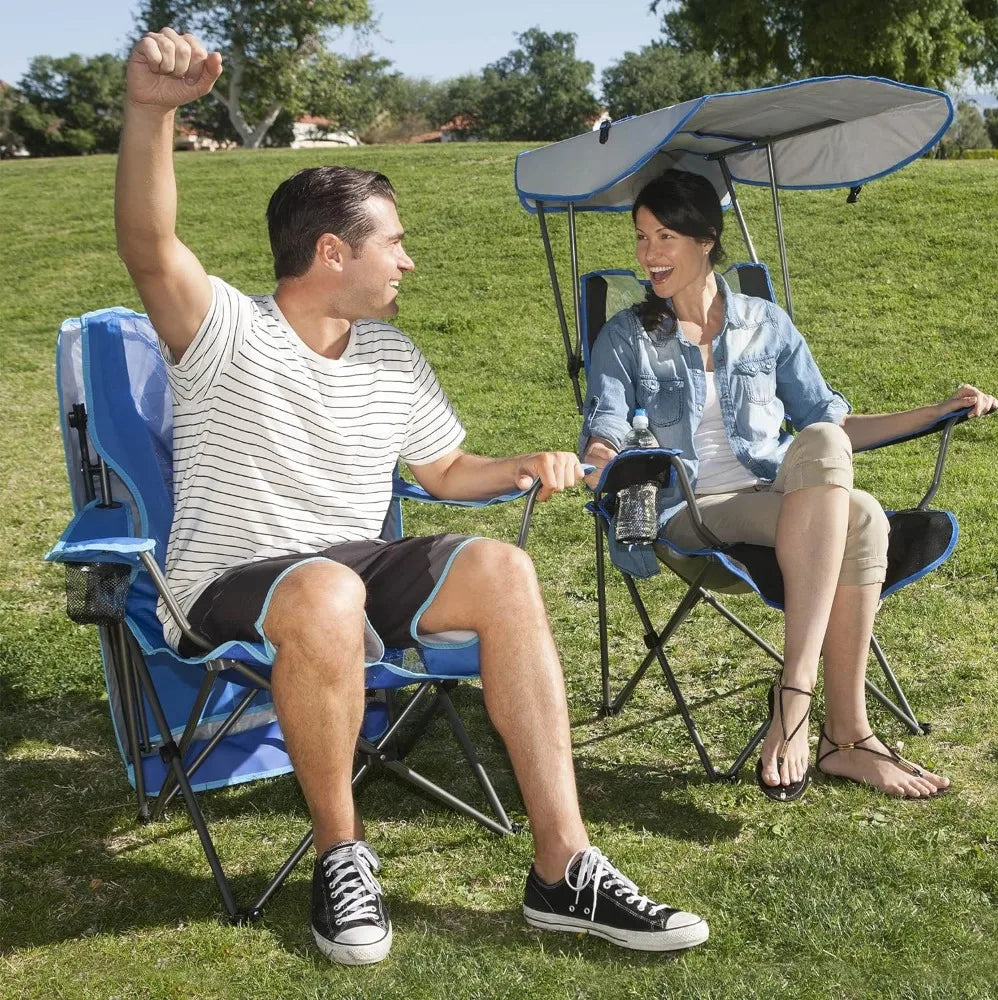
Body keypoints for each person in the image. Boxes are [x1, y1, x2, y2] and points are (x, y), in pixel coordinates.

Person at [116, 29, 711, 966]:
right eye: (393, 243)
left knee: (502, 570)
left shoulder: (393, 356)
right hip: (234, 579)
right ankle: (340, 855)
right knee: (327, 591)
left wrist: (524, 463)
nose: (408, 262)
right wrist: (152, 111)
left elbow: (443, 475)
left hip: (351, 567)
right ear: (330, 251)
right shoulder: (224, 331)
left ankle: (564, 865)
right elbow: (149, 245)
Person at [582, 168, 997, 804]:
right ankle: (828, 719)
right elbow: (605, 431)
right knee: (861, 517)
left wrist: (936, 410)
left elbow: (830, 423)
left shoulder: (766, 324)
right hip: (690, 510)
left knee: (840, 475)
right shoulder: (628, 338)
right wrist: (597, 463)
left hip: (779, 498)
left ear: (706, 240)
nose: (647, 255)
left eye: (664, 236)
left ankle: (824, 719)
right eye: (640, 238)